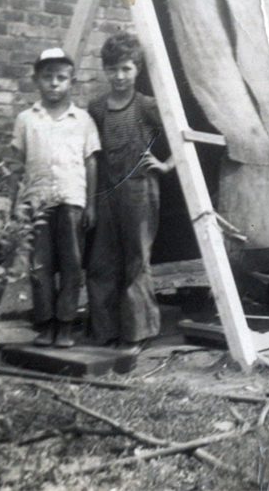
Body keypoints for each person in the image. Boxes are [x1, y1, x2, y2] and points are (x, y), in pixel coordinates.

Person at [86, 33, 174, 353]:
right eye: (113, 69)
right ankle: (104, 331)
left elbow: (180, 135)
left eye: (126, 68)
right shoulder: (96, 108)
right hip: (106, 192)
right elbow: (91, 152)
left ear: (137, 69)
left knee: (136, 261)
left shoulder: (147, 106)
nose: (119, 76)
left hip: (140, 191)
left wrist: (166, 165)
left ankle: (137, 334)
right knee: (102, 261)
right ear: (105, 70)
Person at [10, 47, 100, 348]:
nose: (54, 83)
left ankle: (65, 324)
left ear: (71, 82)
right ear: (37, 80)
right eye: (48, 77)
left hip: (72, 201)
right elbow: (16, 164)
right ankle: (46, 323)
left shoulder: (82, 120)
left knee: (72, 265)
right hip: (36, 204)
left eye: (61, 78)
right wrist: (14, 204)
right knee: (40, 267)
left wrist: (91, 204)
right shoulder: (26, 119)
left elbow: (91, 162)